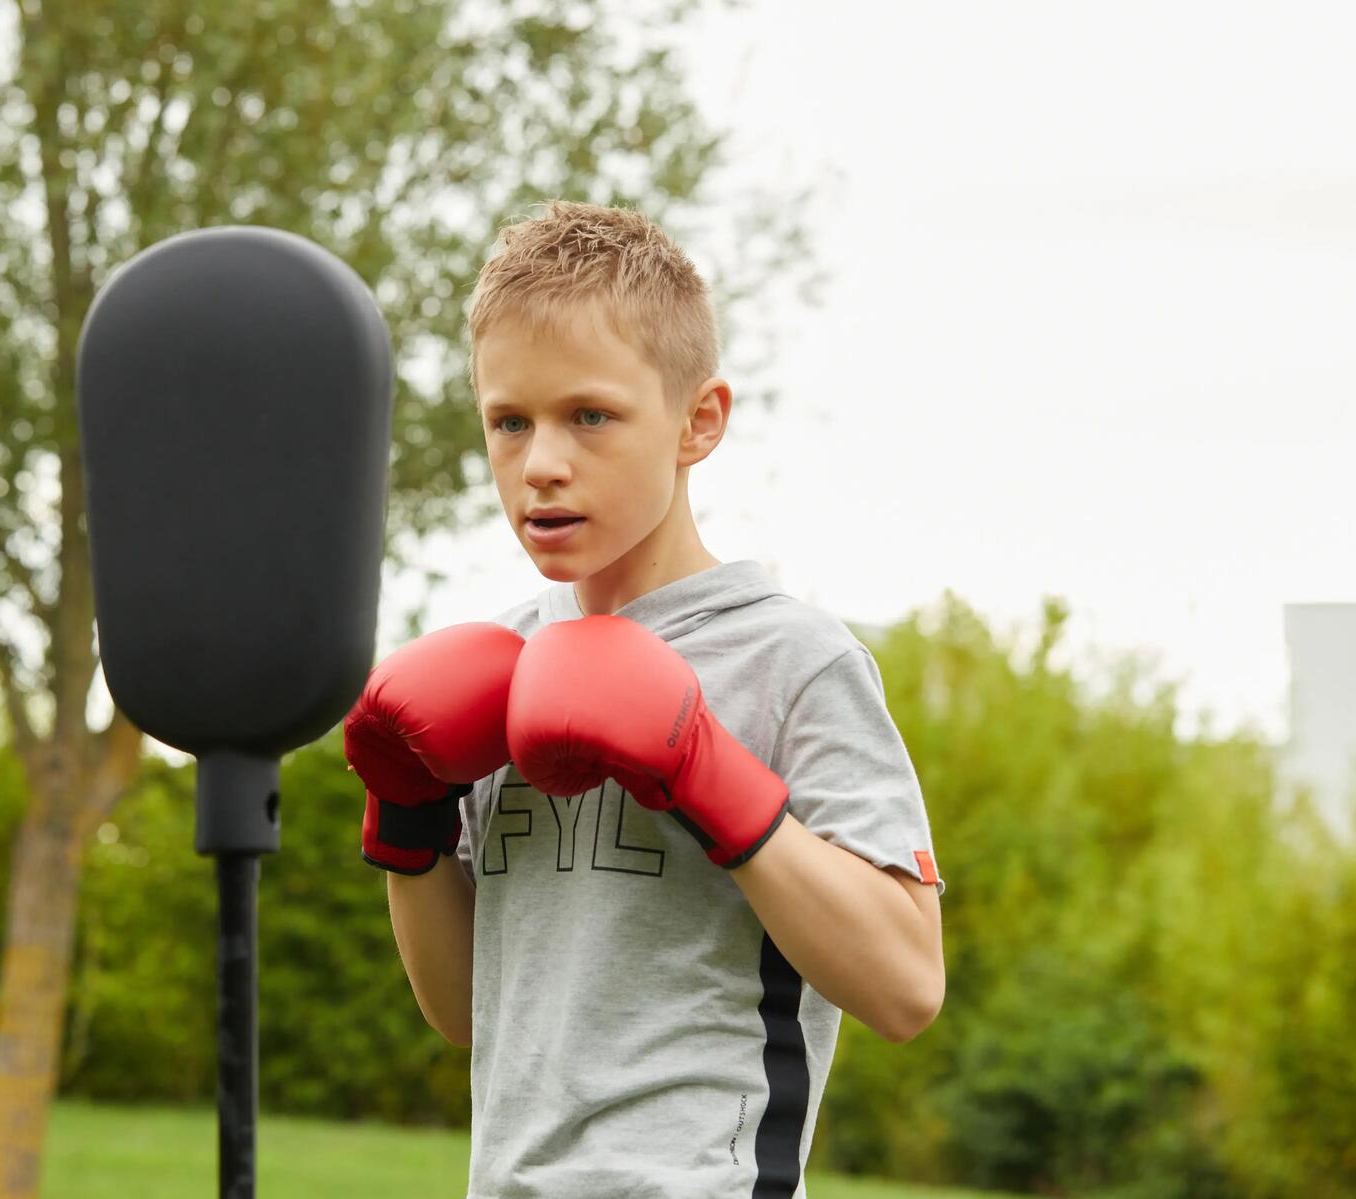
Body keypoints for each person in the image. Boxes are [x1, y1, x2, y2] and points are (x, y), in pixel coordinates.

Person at [343, 198, 946, 1199]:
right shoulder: (499, 669)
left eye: (589, 414)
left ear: (697, 421)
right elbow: (466, 1010)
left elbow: (907, 986)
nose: (541, 461)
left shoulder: (791, 659)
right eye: (510, 420)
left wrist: (708, 770)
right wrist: (406, 818)